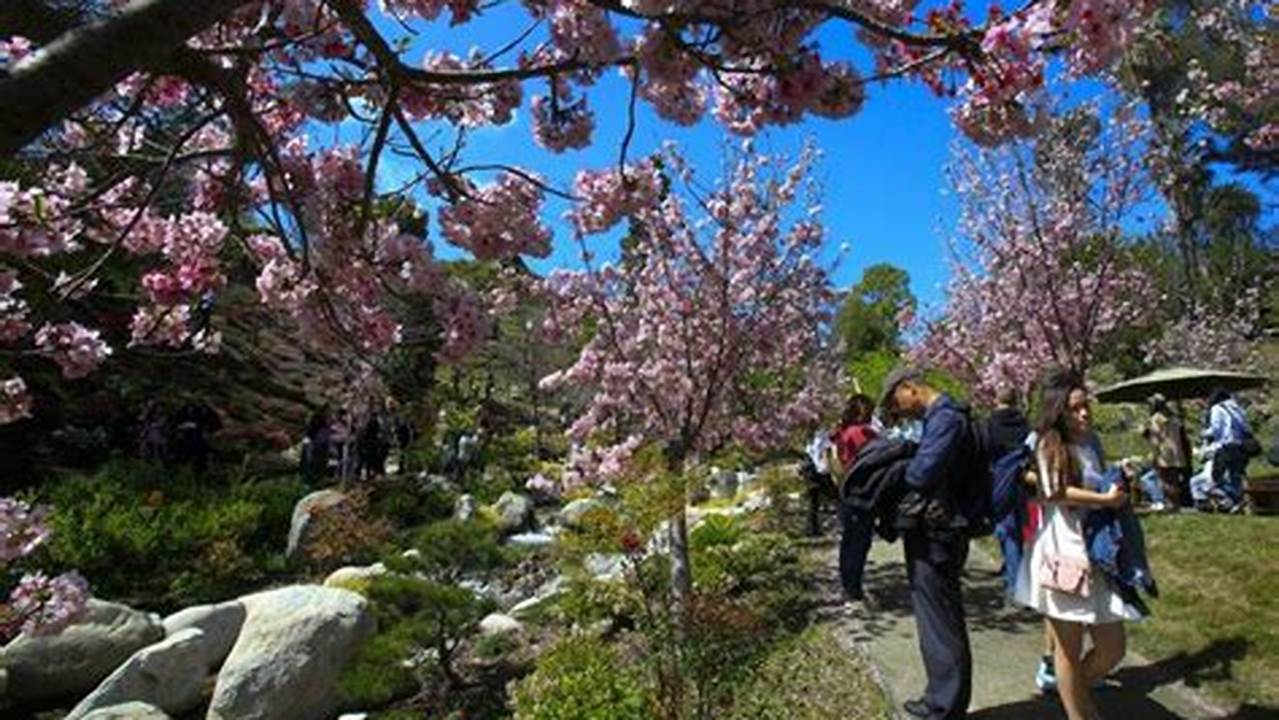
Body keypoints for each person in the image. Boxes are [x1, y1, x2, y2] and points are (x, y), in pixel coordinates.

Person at [1014, 369, 1138, 720]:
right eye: (1075, 408)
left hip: (1098, 553)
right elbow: (1054, 491)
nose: (1084, 414)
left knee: (1112, 648)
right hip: (1064, 555)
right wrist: (1105, 501)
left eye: (1086, 406)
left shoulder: (1090, 443)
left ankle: (1075, 692)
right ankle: (1079, 712)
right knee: (1067, 650)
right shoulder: (1048, 442)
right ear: (1059, 411)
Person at [880, 367, 980, 720]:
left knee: (938, 617)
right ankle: (943, 698)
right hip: (940, 528)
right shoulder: (942, 419)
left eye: (897, 402)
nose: (899, 411)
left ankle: (944, 705)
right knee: (939, 614)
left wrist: (901, 463)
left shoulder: (946, 420)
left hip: (938, 531)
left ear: (910, 388)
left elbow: (922, 473)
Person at [1203, 390, 1253, 512]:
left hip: (1225, 446)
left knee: (1217, 477)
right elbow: (1246, 427)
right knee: (1237, 475)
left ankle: (1229, 501)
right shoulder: (1238, 408)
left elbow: (1216, 429)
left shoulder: (1217, 408)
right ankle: (1241, 501)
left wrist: (1204, 433)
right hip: (1241, 447)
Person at [1142, 394, 1187, 510]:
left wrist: (1154, 455)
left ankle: (1169, 504)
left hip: (1164, 453)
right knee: (1174, 479)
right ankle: (1176, 504)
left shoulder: (1156, 418)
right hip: (1176, 452)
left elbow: (1155, 439)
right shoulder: (1173, 417)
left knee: (1165, 479)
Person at [985, 386, 1030, 461]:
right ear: (1015, 402)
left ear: (996, 401)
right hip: (1018, 467)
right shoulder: (1024, 424)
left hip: (992, 468)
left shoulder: (987, 425)